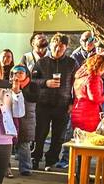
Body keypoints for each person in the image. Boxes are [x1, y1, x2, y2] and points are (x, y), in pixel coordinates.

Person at [29, 33, 79, 171]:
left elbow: (78, 84)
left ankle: (51, 161)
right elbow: (32, 82)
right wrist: (46, 82)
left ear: (66, 48)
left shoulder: (72, 63)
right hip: (43, 103)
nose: (58, 49)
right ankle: (35, 158)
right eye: (55, 46)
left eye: (61, 47)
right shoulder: (41, 62)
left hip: (62, 104)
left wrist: (73, 102)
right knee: (40, 133)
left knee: (58, 136)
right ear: (50, 46)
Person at [70, 54, 104, 134]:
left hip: (76, 113)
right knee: (89, 141)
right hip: (89, 115)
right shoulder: (94, 77)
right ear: (100, 66)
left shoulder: (80, 76)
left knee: (79, 141)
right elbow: (95, 98)